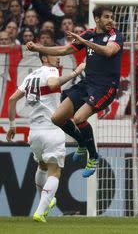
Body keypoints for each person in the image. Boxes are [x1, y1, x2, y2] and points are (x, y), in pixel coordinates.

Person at [25, 6, 124, 178]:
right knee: (57, 118)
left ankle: (93, 156)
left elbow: (108, 51)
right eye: (106, 17)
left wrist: (84, 42)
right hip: (88, 83)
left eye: (112, 17)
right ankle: (81, 142)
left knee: (79, 118)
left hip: (105, 87)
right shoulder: (89, 34)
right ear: (97, 19)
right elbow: (64, 50)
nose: (110, 21)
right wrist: (39, 48)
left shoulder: (116, 36)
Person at [7, 53, 85, 222]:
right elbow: (52, 83)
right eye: (54, 54)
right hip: (52, 129)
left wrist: (12, 125)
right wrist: (75, 73)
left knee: (42, 166)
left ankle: (45, 202)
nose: (59, 57)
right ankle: (40, 211)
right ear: (44, 58)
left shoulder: (30, 77)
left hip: (34, 131)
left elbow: (12, 99)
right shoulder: (51, 70)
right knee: (54, 172)